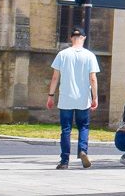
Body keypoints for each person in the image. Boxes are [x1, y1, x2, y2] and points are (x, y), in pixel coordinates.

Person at [47, 27, 99, 169]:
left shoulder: (62, 54)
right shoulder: (90, 56)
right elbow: (93, 79)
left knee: (66, 129)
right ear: (83, 37)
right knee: (83, 126)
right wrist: (95, 97)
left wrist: (50, 96)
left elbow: (55, 77)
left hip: (66, 98)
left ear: (71, 38)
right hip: (83, 98)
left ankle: (64, 161)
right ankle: (82, 150)